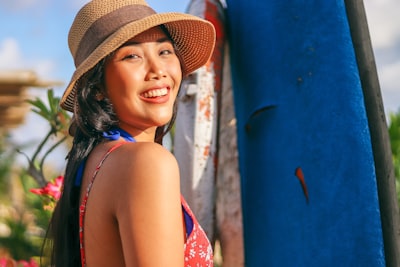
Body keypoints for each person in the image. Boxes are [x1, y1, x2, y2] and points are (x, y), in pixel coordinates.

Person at [46, 0, 216, 266]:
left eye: (165, 51)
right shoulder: (146, 162)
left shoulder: (96, 163)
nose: (158, 70)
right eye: (132, 56)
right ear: (97, 86)